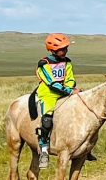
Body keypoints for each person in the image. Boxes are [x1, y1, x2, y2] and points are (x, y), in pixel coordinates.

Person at [34, 33, 80, 168]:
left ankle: (82, 147)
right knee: (47, 118)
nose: (64, 51)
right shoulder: (44, 63)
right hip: (48, 94)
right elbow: (51, 82)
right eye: (62, 49)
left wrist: (71, 86)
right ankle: (43, 150)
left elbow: (70, 77)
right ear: (52, 50)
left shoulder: (67, 62)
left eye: (66, 48)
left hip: (65, 91)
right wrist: (69, 91)